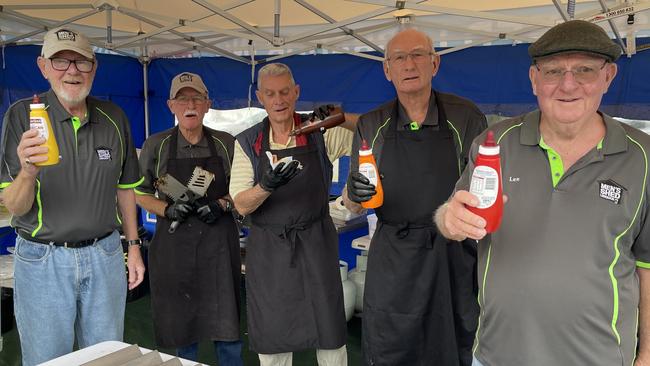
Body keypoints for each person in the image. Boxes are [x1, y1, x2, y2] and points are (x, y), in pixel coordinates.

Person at [435, 20, 650, 366]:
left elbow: (648, 264)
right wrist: (450, 218)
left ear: (608, 77)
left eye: (584, 70)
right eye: (553, 71)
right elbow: (450, 217)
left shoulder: (643, 156)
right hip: (498, 355)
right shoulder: (495, 144)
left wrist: (648, 354)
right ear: (534, 80)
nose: (568, 85)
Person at [0, 27, 145, 366]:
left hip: (106, 254)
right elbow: (14, 206)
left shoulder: (114, 117)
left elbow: (125, 189)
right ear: (43, 66)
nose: (72, 71)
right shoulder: (23, 116)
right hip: (42, 260)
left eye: (82, 62)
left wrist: (134, 246)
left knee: (108, 356)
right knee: (47, 360)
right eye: (61, 61)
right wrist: (28, 171)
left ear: (94, 67)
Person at [343, 28, 486, 366]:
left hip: (453, 253)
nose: (409, 64)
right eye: (399, 58)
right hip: (394, 254)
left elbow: (482, 190)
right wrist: (355, 194)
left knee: (454, 342)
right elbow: (353, 201)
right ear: (387, 69)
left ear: (434, 64)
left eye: (418, 55)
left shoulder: (465, 116)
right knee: (390, 345)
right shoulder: (371, 123)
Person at [230, 62, 356, 366]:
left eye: (285, 92)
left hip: (316, 243)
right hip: (270, 250)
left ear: (296, 92)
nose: (279, 100)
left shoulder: (318, 131)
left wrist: (342, 117)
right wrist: (266, 185)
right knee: (273, 339)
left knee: (329, 332)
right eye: (271, 93)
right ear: (260, 97)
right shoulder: (248, 142)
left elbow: (372, 134)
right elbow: (241, 204)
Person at [135, 72, 243, 365]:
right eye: (182, 99)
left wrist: (222, 204)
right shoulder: (155, 145)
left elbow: (245, 190)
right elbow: (139, 193)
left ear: (208, 104)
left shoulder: (226, 143)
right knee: (182, 331)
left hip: (219, 248)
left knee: (228, 329)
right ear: (171, 105)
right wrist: (167, 210)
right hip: (174, 250)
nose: (189, 104)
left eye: (196, 98)